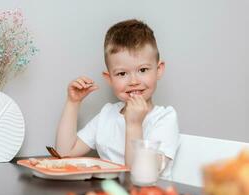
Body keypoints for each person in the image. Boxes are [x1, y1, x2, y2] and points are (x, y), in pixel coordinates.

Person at [55, 19, 180, 178]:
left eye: (142, 70)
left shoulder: (164, 119)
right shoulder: (107, 115)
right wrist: (73, 103)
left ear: (158, 70)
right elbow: (63, 155)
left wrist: (134, 124)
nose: (134, 81)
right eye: (122, 73)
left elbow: (138, 175)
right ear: (109, 78)